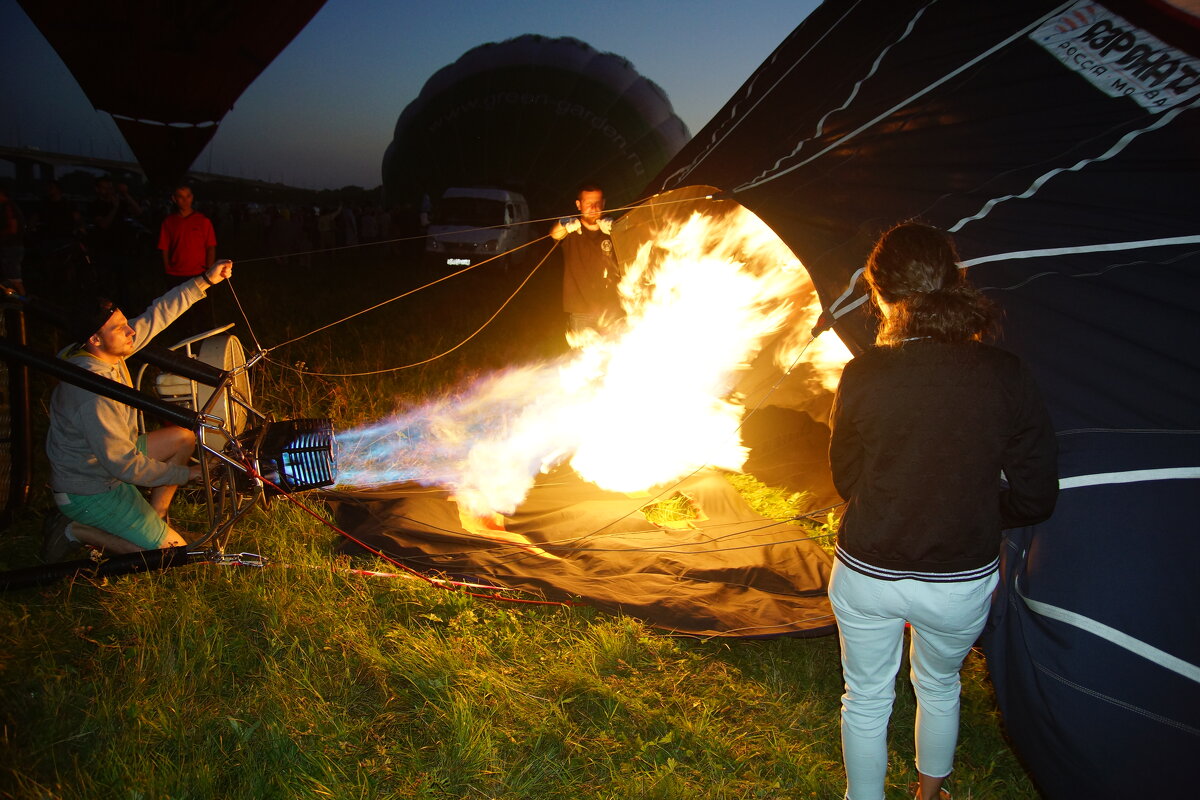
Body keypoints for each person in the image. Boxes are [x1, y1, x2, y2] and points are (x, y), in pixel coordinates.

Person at [826, 222, 1058, 800]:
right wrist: (976, 504)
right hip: (958, 578)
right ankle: (930, 796)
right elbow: (1035, 497)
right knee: (939, 684)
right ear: (956, 282)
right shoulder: (1006, 375)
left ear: (879, 295)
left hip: (867, 571)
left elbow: (846, 480)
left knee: (866, 695)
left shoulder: (862, 375)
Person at [41, 258, 235, 561]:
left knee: (183, 438)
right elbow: (125, 465)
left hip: (108, 464)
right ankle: (76, 529)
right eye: (120, 328)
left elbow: (158, 314)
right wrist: (190, 473)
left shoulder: (106, 348)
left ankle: (154, 519)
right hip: (89, 488)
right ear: (95, 339)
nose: (131, 331)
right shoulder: (92, 391)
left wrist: (205, 281)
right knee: (169, 555)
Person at [549, 184, 620, 338]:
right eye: (588, 203)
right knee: (584, 357)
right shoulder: (571, 231)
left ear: (603, 204)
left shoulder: (611, 230)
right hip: (581, 312)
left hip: (611, 309)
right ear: (578, 205)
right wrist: (563, 223)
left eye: (597, 203)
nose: (593, 208)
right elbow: (554, 234)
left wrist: (618, 230)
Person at [157, 184, 217, 335]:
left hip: (199, 273)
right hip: (176, 275)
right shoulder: (169, 222)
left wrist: (208, 270)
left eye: (188, 196)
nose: (185, 200)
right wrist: (167, 269)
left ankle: (205, 342)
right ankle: (183, 342)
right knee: (179, 312)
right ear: (174, 199)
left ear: (192, 198)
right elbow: (164, 248)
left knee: (203, 312)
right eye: (180, 197)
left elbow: (210, 246)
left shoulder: (203, 221)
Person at [0, 181, 26, 295]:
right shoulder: (8, 206)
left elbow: (13, 228)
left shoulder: (8, 207)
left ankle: (23, 305)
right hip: (11, 246)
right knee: (10, 278)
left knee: (14, 279)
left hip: (11, 247)